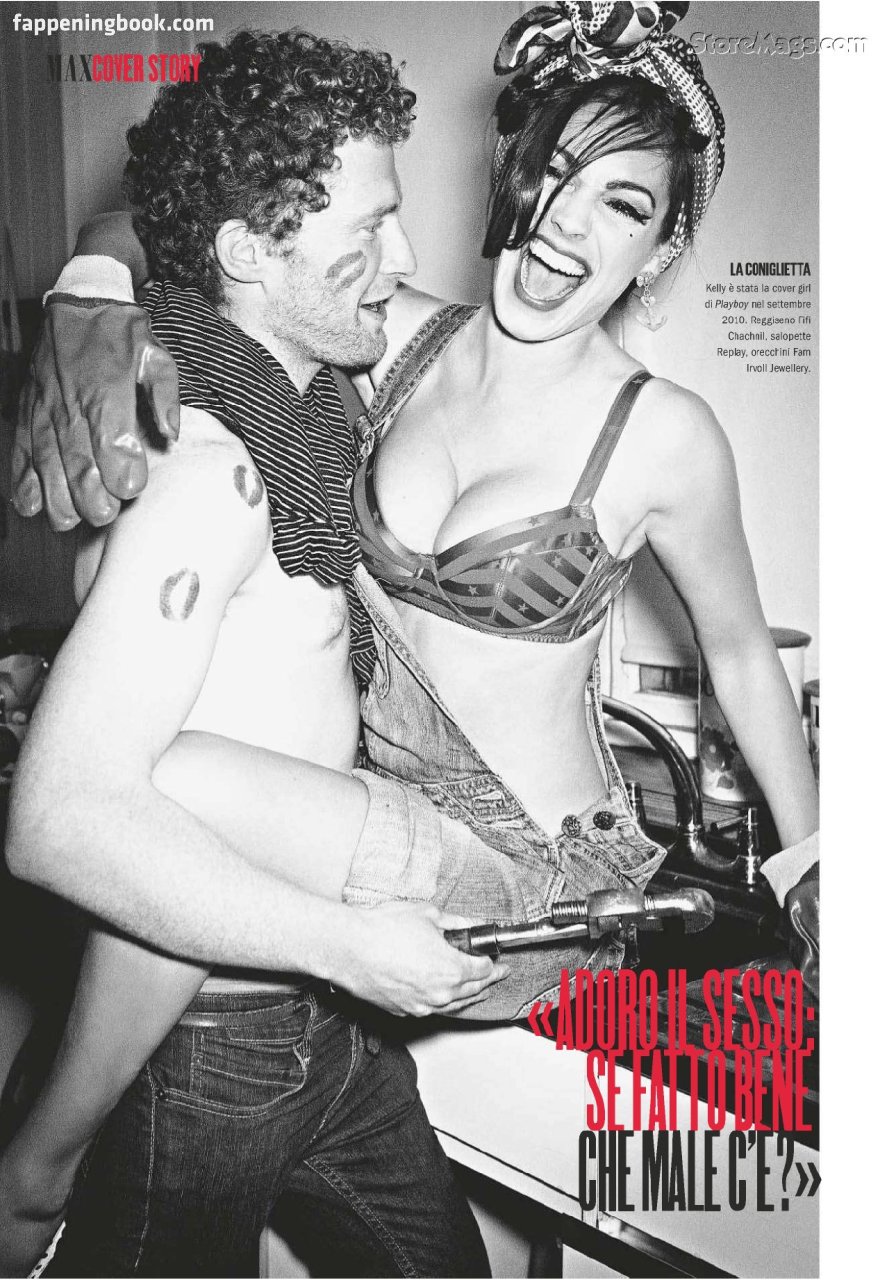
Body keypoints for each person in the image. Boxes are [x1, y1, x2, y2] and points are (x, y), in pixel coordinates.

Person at [7, 1, 820, 1274]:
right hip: (373, 830)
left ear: (659, 249)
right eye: (552, 171)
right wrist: (87, 296)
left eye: (620, 205)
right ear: (511, 172)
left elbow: (738, 657)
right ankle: (45, 1147)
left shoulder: (662, 433)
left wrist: (814, 860)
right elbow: (200, 234)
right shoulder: (396, 339)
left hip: (527, 879)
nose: (565, 223)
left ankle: (36, 1155)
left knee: (136, 777)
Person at [2, 27, 504, 1280]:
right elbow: (58, 821)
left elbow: (132, 236)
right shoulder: (212, 474)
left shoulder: (311, 401)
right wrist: (348, 944)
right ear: (247, 252)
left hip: (327, 1022)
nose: (404, 258)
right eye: (369, 228)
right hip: (213, 1041)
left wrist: (89, 276)